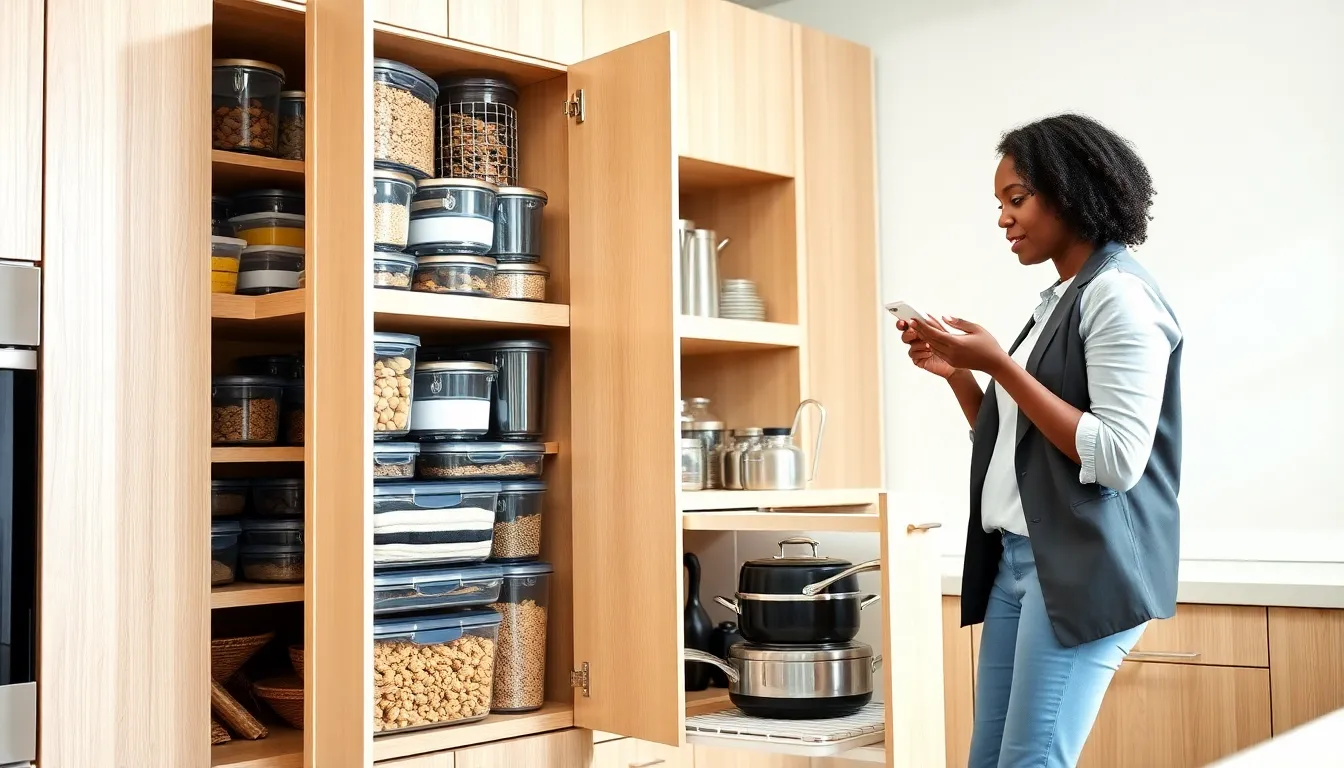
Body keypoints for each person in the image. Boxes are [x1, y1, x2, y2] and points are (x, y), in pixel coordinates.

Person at [897, 114, 1182, 767]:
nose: (1003, 218)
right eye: (1000, 204)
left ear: (1070, 189)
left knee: (1029, 762)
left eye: (1017, 199)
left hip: (1081, 568)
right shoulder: (1059, 299)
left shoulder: (1118, 295)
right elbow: (1020, 447)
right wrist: (963, 378)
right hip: (1019, 565)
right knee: (991, 760)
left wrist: (1000, 365)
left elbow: (1114, 458)